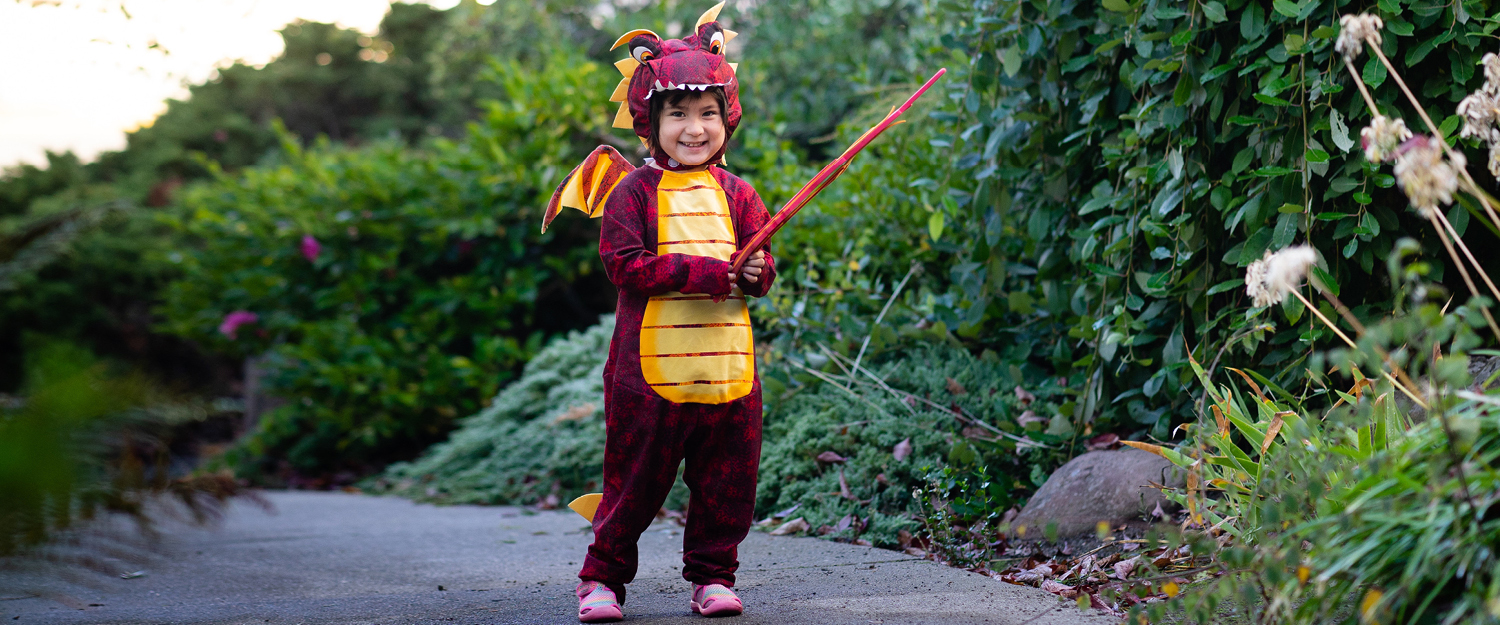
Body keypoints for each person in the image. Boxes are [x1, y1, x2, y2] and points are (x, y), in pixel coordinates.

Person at [556, 4, 776, 622]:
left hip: (729, 369)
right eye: (677, 114)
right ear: (650, 123)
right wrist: (709, 273)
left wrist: (759, 273)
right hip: (647, 377)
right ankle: (601, 579)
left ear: (726, 118)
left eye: (707, 113)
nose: (694, 128)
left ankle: (712, 576)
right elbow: (625, 265)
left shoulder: (740, 194)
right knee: (635, 483)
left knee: (727, 483)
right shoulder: (632, 192)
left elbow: (758, 262)